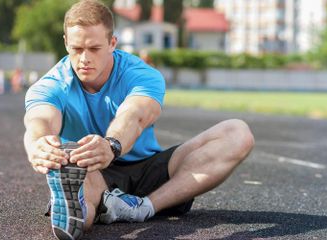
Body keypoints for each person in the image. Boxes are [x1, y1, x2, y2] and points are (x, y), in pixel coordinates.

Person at [23, 1, 254, 240]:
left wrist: (112, 144)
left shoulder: (141, 75)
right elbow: (39, 119)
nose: (84, 58)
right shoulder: (51, 85)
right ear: (65, 43)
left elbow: (134, 115)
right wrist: (38, 145)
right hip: (94, 169)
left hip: (149, 168)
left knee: (238, 133)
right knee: (78, 189)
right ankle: (77, 208)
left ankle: (142, 207)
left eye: (94, 48)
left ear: (112, 43)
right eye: (77, 48)